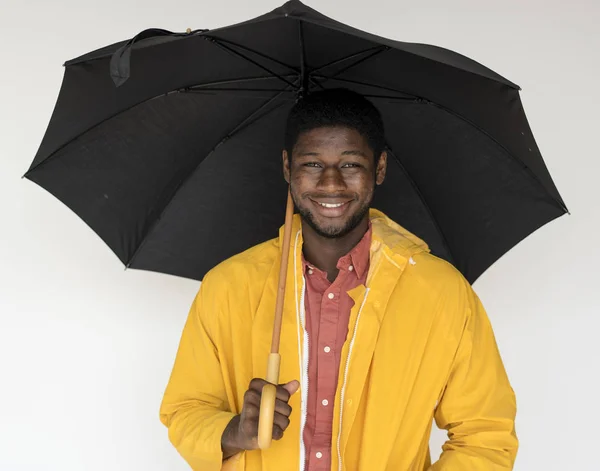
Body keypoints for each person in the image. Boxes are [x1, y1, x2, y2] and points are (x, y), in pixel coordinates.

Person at [159, 89, 518, 471]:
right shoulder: (228, 286)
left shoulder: (442, 292)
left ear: (379, 168)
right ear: (287, 167)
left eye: (350, 165)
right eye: (311, 164)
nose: (330, 183)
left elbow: (485, 435)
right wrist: (234, 432)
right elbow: (185, 411)